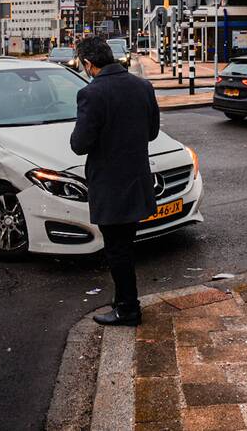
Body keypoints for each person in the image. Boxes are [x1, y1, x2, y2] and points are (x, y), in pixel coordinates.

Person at [70, 36, 160, 327]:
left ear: (88, 63)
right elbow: (152, 132)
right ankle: (124, 300)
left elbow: (79, 144)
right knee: (126, 247)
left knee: (117, 251)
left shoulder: (91, 94)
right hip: (136, 180)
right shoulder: (142, 86)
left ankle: (128, 309)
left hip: (110, 185)